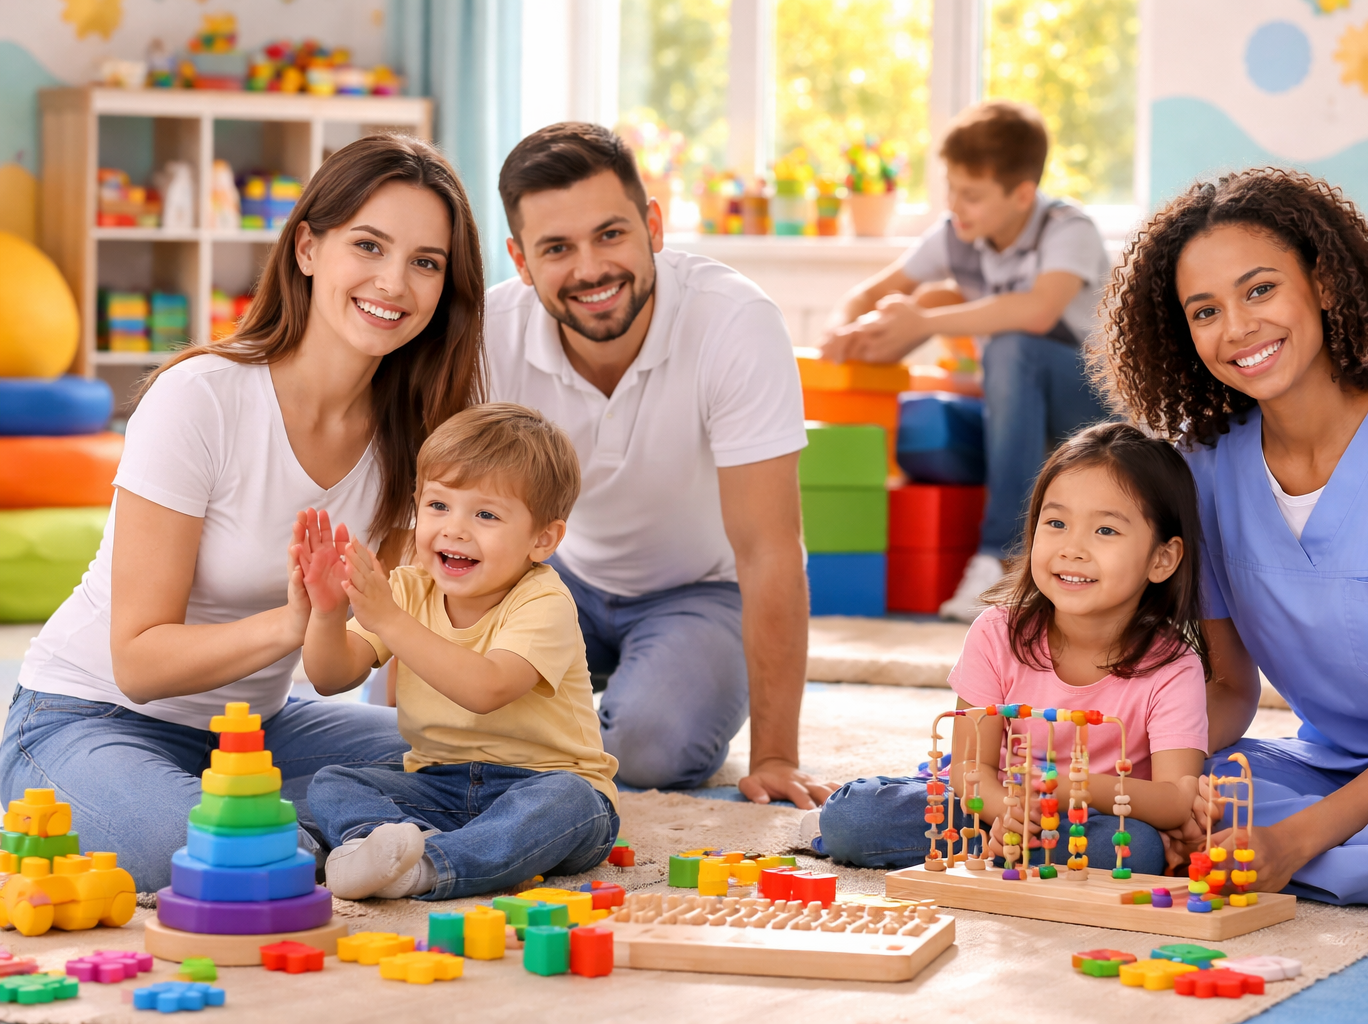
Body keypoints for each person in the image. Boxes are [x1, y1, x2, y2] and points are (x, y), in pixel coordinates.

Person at [0, 135, 487, 890]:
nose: (394, 282)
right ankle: (336, 839)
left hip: (256, 734)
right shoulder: (201, 397)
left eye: (426, 262)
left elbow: (352, 658)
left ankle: (347, 837)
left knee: (491, 764)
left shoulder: (411, 441)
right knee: (245, 860)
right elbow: (137, 663)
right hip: (89, 718)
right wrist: (295, 622)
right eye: (369, 245)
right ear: (307, 249)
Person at [1095, 167, 1368, 914]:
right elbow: (1232, 689)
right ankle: (1290, 848)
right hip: (1327, 765)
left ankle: (1279, 858)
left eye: (1260, 290)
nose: (1236, 328)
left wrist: (1297, 839)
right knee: (1163, 802)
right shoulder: (1202, 472)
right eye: (1205, 311)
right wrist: (1126, 760)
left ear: (1324, 285)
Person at [483, 122, 831, 807]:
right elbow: (436, 518)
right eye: (557, 248)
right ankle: (573, 705)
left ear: (653, 226)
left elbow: (769, 550)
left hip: (699, 591)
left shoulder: (735, 322)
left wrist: (776, 755)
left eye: (610, 235)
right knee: (443, 712)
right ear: (521, 262)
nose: (589, 269)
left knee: (649, 746)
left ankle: (604, 705)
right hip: (552, 579)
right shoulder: (488, 333)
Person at [810, 423, 1208, 871]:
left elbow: (1176, 799)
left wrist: (1072, 788)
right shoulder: (997, 632)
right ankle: (1006, 850)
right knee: (855, 815)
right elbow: (969, 768)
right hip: (988, 804)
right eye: (1056, 523)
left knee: (1137, 848)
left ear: (1162, 558)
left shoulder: (1173, 666)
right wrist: (1009, 814)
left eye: (1106, 531)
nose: (1072, 548)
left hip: (1095, 818)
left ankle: (999, 854)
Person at [302, 404, 618, 900]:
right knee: (334, 781)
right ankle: (379, 847)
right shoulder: (408, 590)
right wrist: (324, 613)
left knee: (571, 802)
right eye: (438, 506)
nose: (454, 529)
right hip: (440, 786)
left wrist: (388, 620)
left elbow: (485, 688)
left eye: (486, 514)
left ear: (543, 538)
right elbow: (330, 677)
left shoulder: (544, 601)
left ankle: (428, 867)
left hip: (540, 784)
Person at [822, 100, 1112, 622]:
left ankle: (1000, 556)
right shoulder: (957, 235)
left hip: (1096, 410)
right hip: (1022, 414)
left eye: (972, 195)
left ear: (1022, 194)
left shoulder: (1069, 229)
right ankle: (979, 552)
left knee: (1009, 344)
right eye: (952, 188)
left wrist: (924, 322)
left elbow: (1038, 309)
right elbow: (873, 293)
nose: (957, 205)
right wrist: (842, 332)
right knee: (936, 414)